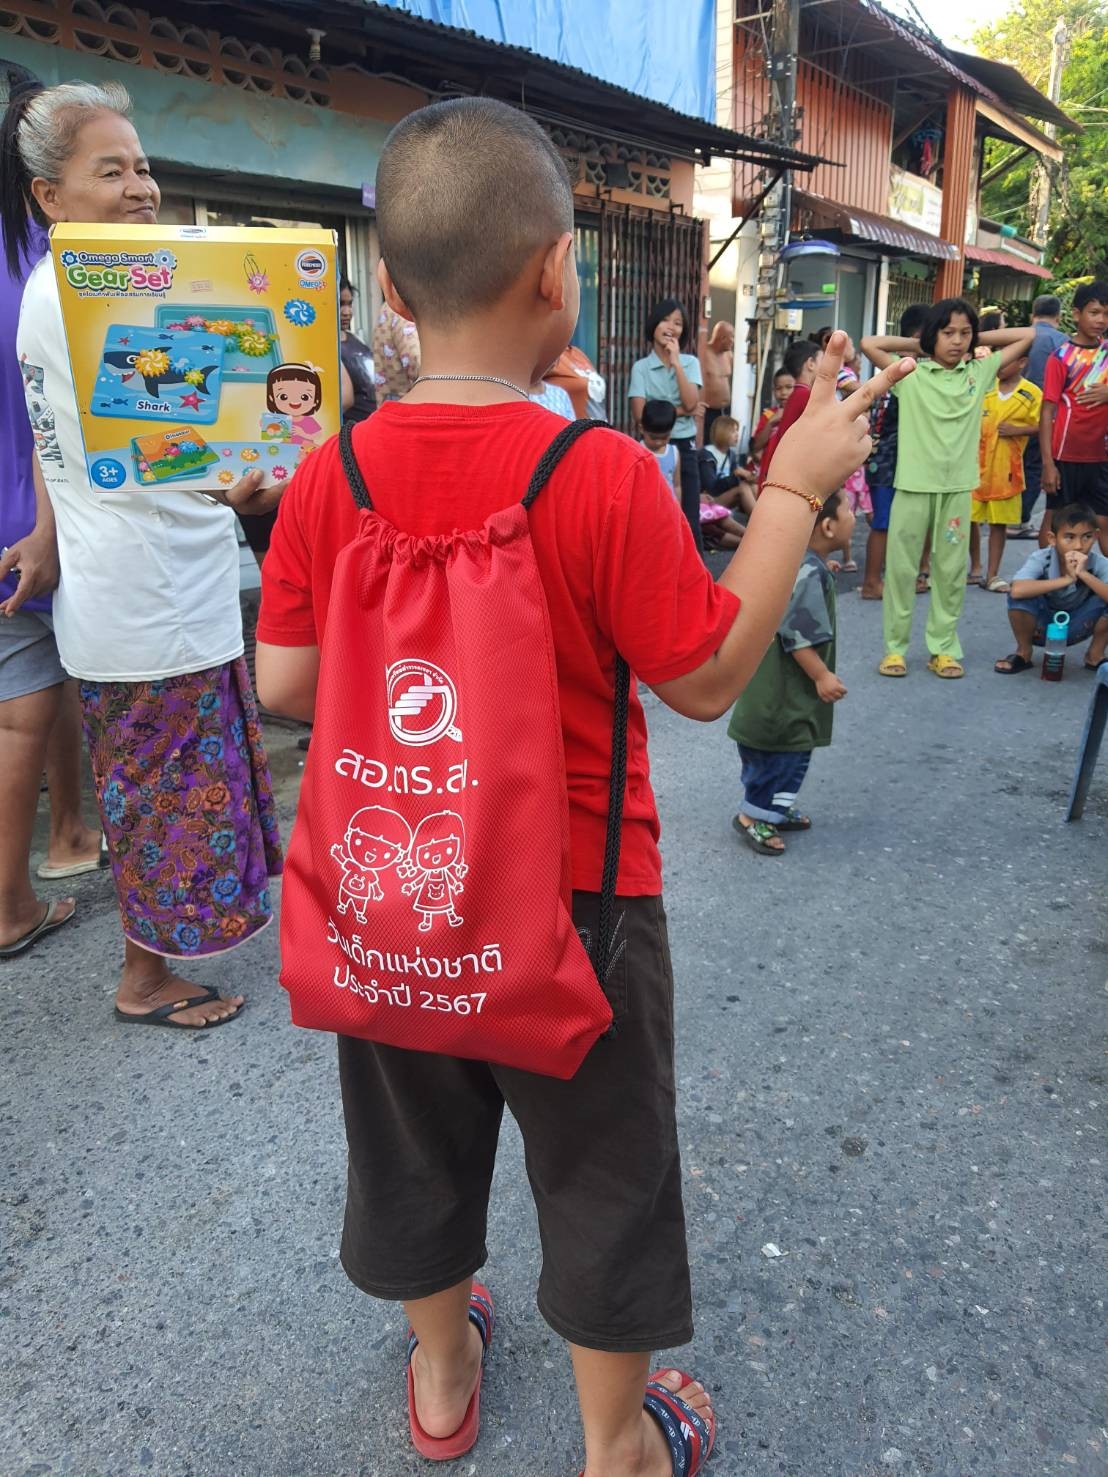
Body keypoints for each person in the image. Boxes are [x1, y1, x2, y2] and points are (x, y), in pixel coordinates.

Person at [254, 95, 909, 1477]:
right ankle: (617, 1445)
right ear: (558, 272)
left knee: (413, 1148)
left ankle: (444, 1376)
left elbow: (287, 686)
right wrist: (792, 490)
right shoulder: (596, 471)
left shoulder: (331, 471)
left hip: (396, 885)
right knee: (604, 1172)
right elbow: (707, 676)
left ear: (389, 291)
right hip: (582, 899)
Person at [0, 78, 282, 1025]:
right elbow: (169, 446)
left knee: (164, 785)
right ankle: (145, 979)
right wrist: (237, 477)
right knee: (163, 794)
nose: (141, 186)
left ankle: (162, 958)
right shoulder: (80, 297)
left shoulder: (76, 287)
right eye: (111, 170)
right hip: (146, 597)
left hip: (147, 584)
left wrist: (48, 532)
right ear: (50, 195)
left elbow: (63, 440)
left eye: (144, 165)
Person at [0, 59, 102, 958]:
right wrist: (44, 526)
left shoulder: (46, 253)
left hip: (35, 512)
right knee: (25, 706)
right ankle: (10, 901)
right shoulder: (49, 261)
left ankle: (68, 830)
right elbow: (48, 414)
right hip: (36, 514)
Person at [861, 300, 1033, 678]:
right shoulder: (910, 373)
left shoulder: (980, 372)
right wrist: (922, 344)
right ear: (933, 335)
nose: (957, 341)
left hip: (956, 490)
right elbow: (869, 343)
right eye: (948, 333)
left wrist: (975, 337)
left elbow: (1027, 334)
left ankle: (943, 649)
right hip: (913, 487)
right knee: (902, 571)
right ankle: (895, 649)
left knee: (951, 573)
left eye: (964, 334)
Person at [727, 489, 851, 856]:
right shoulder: (810, 573)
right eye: (849, 512)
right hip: (783, 700)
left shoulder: (798, 562)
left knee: (775, 757)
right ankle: (755, 816)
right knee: (784, 757)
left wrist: (822, 568)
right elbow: (798, 637)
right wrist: (821, 676)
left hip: (767, 697)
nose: (854, 517)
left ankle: (774, 808)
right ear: (828, 527)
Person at [858, 304, 929, 599]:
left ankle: (903, 576)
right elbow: (869, 343)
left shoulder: (921, 371)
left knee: (906, 522)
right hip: (887, 460)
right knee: (884, 522)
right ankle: (872, 582)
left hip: (903, 459)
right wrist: (918, 346)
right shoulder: (899, 368)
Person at [628, 297, 705, 553]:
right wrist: (683, 411)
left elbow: (692, 401)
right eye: (665, 320)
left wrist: (677, 364)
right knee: (652, 518)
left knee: (689, 517)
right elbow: (640, 415)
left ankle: (694, 572)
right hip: (651, 447)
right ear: (653, 325)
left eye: (678, 323)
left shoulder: (690, 363)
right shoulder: (641, 368)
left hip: (684, 445)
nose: (671, 327)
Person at [994, 502, 1108, 674]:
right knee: (1020, 594)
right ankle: (1023, 652)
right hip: (1041, 627)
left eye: (1087, 537)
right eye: (1069, 537)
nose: (1078, 545)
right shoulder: (1042, 558)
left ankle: (1095, 655)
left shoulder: (1099, 563)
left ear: (1096, 536)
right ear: (1053, 539)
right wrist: (1067, 579)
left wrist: (1084, 574)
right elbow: (1017, 590)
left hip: (1079, 625)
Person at [1039, 281, 1108, 553]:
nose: (1101, 320)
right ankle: (1048, 572)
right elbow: (1047, 412)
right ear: (1077, 314)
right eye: (1094, 312)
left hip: (1101, 456)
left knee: (1102, 522)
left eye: (1106, 314)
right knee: (1056, 522)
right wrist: (1048, 464)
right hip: (1066, 455)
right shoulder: (1061, 357)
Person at [968, 355, 1041, 593]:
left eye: (1006, 361)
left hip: (1006, 471)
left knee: (998, 524)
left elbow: (1045, 424)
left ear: (1022, 362)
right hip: (975, 468)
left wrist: (1018, 430)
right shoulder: (985, 387)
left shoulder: (1031, 393)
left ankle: (992, 575)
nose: (999, 366)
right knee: (968, 520)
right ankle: (975, 568)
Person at [1011, 294, 1066, 538]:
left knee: (1008, 462)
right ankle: (1019, 520)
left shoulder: (1019, 337)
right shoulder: (1063, 342)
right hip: (1046, 413)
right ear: (1059, 317)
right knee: (1033, 466)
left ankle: (1002, 516)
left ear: (1033, 314)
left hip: (1011, 408)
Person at [758, 339, 822, 490]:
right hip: (789, 473)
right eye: (822, 360)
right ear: (810, 364)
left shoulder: (798, 394)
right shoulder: (804, 395)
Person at [698, 415, 756, 518]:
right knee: (742, 488)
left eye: (737, 431)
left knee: (752, 485)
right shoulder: (706, 455)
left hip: (723, 495)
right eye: (733, 431)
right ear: (722, 432)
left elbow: (736, 478)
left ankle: (765, 518)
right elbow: (712, 489)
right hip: (708, 499)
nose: (737, 435)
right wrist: (736, 476)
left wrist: (748, 476)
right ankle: (759, 521)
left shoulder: (730, 454)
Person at [339, 275, 376, 424]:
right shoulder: (328, 348)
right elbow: (345, 400)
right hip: (354, 430)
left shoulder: (353, 338)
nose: (347, 312)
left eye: (349, 304)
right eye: (340, 304)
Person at [373, 297, 421, 401]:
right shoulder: (402, 310)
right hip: (409, 402)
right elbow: (415, 360)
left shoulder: (389, 307)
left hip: (393, 400)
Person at [748, 366, 795, 474]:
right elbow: (756, 447)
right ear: (773, 391)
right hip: (768, 473)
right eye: (778, 388)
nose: (783, 392)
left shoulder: (803, 413)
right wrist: (770, 422)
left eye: (788, 387)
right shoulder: (768, 415)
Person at [698, 320, 734, 446]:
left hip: (725, 410)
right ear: (722, 338)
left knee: (723, 444)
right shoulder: (703, 353)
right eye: (732, 337)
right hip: (708, 411)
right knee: (708, 445)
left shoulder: (729, 355)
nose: (733, 341)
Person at [639, 398, 680, 498]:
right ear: (641, 429)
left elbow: (677, 485)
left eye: (664, 438)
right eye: (653, 438)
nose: (659, 442)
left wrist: (677, 505)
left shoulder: (674, 453)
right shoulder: (637, 452)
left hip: (668, 504)